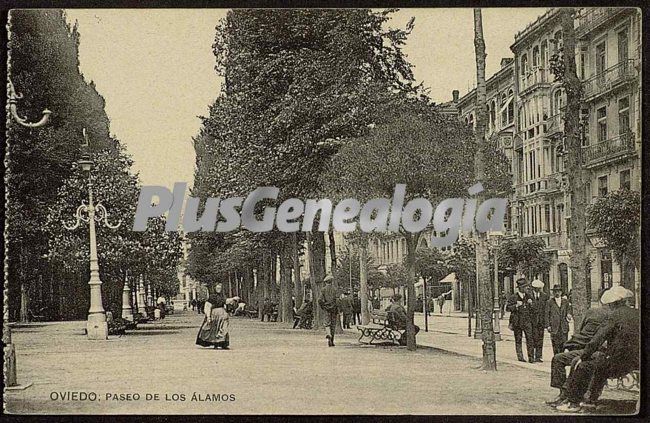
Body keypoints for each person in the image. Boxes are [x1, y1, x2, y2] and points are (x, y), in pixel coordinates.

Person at [557, 286, 638, 412]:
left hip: (620, 361)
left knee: (584, 365)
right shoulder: (637, 313)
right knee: (599, 364)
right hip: (637, 360)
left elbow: (597, 340)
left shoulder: (614, 315)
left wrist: (584, 356)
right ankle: (591, 399)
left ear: (613, 304)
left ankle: (574, 403)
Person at [545, 290, 610, 407]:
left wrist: (571, 345)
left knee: (559, 359)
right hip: (587, 349)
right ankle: (563, 394)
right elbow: (583, 332)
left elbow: (582, 332)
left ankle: (564, 394)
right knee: (559, 359)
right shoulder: (593, 312)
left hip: (595, 351)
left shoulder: (607, 315)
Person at [506, 278, 535, 363]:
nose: (526, 288)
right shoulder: (513, 297)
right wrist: (516, 306)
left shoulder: (529, 296)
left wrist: (531, 304)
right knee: (518, 340)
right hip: (517, 322)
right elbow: (507, 308)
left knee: (530, 339)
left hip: (527, 321)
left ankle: (531, 357)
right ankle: (520, 357)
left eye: (526, 287)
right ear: (520, 288)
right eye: (524, 287)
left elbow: (534, 309)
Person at [195, 283, 230, 350]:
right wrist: (208, 316)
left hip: (223, 314)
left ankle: (223, 343)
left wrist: (233, 299)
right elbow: (208, 306)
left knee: (224, 328)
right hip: (215, 314)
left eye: (220, 288)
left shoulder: (223, 296)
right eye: (217, 288)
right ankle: (216, 343)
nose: (218, 289)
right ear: (214, 289)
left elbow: (226, 302)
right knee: (215, 329)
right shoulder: (212, 297)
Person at [546, 284, 571, 354]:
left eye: (558, 291)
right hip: (554, 327)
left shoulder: (565, 301)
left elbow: (569, 310)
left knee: (564, 344)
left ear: (561, 292)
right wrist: (548, 325)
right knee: (555, 345)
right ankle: (556, 358)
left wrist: (569, 315)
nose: (557, 293)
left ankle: (561, 358)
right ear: (553, 293)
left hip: (564, 326)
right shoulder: (549, 302)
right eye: (555, 291)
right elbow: (547, 314)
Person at [530, 279, 548, 363]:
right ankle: (532, 356)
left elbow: (546, 309)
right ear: (533, 288)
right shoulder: (529, 296)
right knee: (532, 338)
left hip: (541, 321)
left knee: (540, 339)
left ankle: (539, 356)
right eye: (536, 288)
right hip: (532, 321)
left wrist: (546, 322)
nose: (537, 289)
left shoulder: (544, 296)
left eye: (539, 288)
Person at [318, 274, 339, 347]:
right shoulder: (335, 289)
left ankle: (328, 334)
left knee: (327, 324)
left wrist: (323, 306)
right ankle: (332, 341)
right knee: (333, 325)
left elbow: (319, 300)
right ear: (331, 282)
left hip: (326, 309)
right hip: (334, 309)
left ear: (326, 282)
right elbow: (337, 300)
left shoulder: (323, 290)